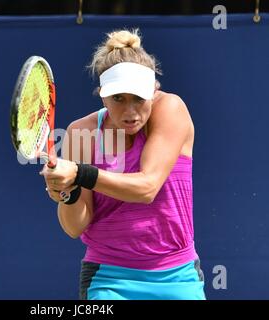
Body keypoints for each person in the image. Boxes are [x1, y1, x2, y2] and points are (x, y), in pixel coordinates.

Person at [40, 29, 205, 300]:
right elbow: (74, 227)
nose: (130, 112)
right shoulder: (82, 132)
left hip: (177, 275)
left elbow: (147, 187)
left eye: (139, 98)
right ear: (102, 95)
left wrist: (81, 173)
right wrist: (67, 193)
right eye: (118, 98)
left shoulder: (171, 109)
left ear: (154, 90)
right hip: (109, 279)